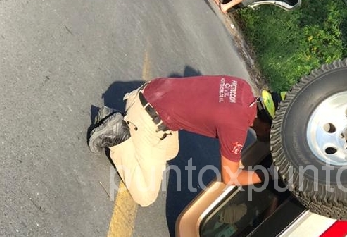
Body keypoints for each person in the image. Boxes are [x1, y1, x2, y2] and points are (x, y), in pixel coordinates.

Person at [87, 76, 285, 207]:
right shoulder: (236, 126)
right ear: (268, 127)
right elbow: (230, 177)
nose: (268, 139)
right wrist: (268, 174)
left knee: (171, 151)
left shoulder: (241, 86)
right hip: (149, 116)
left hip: (152, 92)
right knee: (145, 196)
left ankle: (132, 130)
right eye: (271, 135)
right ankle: (117, 134)